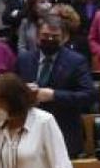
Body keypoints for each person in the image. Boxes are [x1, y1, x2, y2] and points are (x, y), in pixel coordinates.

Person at [15, 16, 95, 157]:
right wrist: (22, 91)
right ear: (37, 36)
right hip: (28, 130)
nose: (50, 40)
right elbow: (10, 90)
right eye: (45, 35)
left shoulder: (76, 61)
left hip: (63, 131)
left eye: (55, 36)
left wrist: (54, 95)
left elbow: (89, 95)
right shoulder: (24, 59)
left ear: (64, 38)